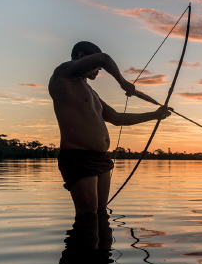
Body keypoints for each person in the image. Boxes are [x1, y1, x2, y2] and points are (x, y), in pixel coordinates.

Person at [49, 41, 171, 241]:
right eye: (96, 68)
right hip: (79, 156)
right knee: (87, 218)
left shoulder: (91, 92)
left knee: (101, 214)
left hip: (101, 159)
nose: (99, 71)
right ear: (81, 56)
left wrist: (154, 115)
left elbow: (115, 118)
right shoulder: (63, 74)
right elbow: (103, 58)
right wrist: (123, 82)